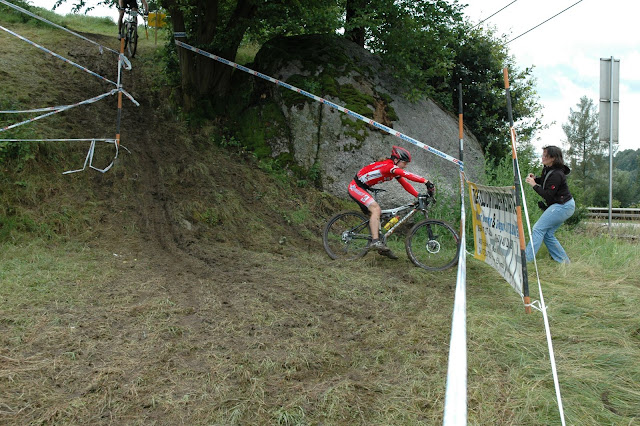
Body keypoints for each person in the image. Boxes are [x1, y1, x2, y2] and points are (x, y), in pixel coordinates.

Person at [349, 145, 434, 259]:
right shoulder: (389, 166)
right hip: (356, 186)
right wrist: (426, 181)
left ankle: (381, 245)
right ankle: (375, 242)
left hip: (364, 187)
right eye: (404, 162)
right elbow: (406, 175)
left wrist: (418, 195)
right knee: (376, 209)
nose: (405, 165)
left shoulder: (393, 169)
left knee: (378, 214)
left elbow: (405, 184)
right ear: (396, 160)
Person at [524, 145, 575, 264]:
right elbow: (545, 181)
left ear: (553, 158)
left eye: (545, 156)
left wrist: (534, 185)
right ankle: (564, 262)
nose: (542, 157)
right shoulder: (548, 169)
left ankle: (526, 260)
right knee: (547, 234)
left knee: (538, 229)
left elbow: (548, 195)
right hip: (563, 206)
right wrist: (535, 179)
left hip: (563, 206)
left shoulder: (557, 174)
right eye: (543, 155)